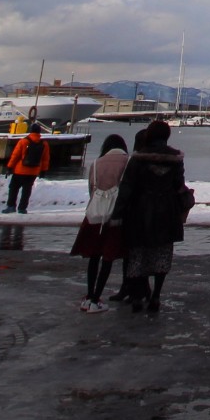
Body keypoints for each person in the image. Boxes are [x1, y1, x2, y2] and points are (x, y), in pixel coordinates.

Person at [111, 120, 188, 312]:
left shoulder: (138, 159)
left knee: (137, 254)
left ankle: (137, 297)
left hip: (140, 210)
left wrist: (117, 213)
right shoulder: (176, 159)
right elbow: (179, 185)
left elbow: (127, 187)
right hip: (167, 211)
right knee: (162, 254)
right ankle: (156, 296)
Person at [70, 133, 130, 312]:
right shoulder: (127, 162)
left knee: (94, 257)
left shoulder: (96, 163)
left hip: (95, 216)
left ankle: (89, 296)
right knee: (108, 258)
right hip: (115, 218)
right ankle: (96, 299)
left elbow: (92, 189)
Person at [3, 126, 52, 213]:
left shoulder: (23, 141)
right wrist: (43, 170)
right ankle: (22, 208)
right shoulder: (44, 144)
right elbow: (45, 159)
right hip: (33, 171)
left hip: (20, 170)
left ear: (30, 131)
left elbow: (15, 156)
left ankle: (11, 206)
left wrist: (9, 167)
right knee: (27, 190)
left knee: (13, 188)